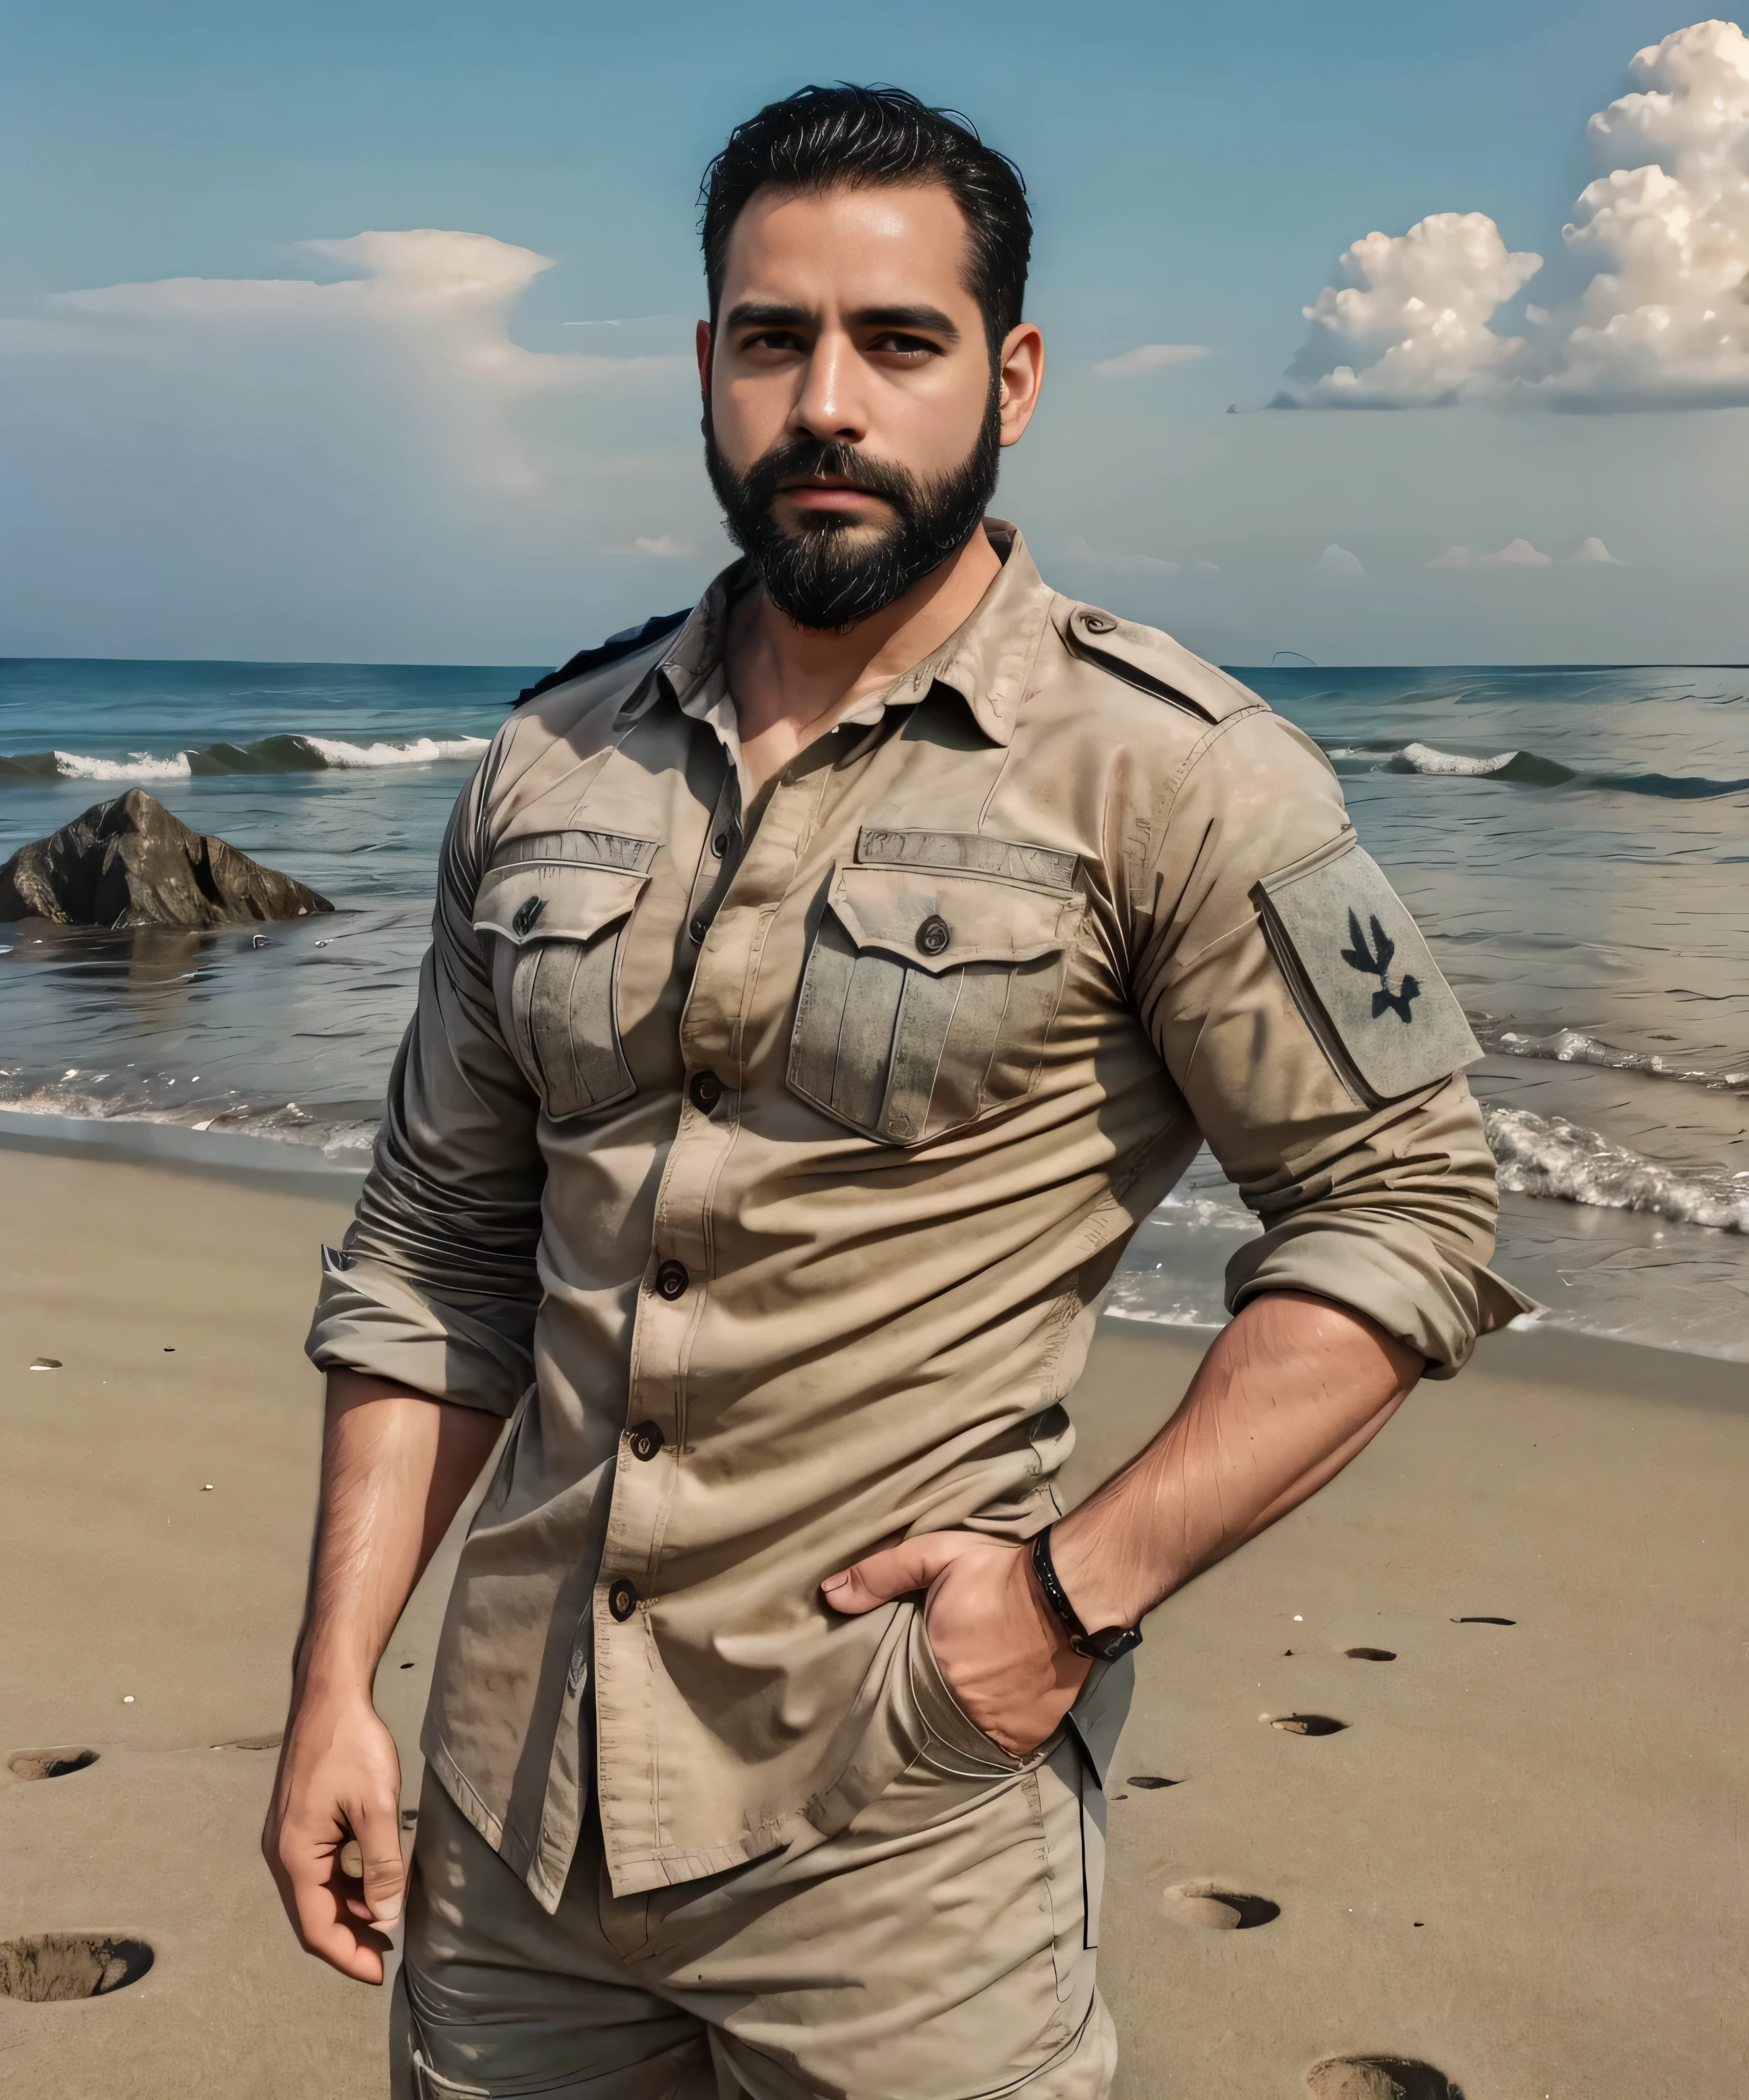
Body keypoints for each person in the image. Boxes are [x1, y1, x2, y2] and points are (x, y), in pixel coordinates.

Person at [265, 83, 1526, 2099]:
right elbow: (435, 1259)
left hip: (893, 1821)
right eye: (773, 339)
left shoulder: (1174, 772)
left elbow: (1410, 1208)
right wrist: (335, 1687)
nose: (825, 403)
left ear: (1009, 373)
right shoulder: (547, 766)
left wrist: (1061, 1598)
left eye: (897, 341)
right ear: (704, 366)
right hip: (508, 1816)